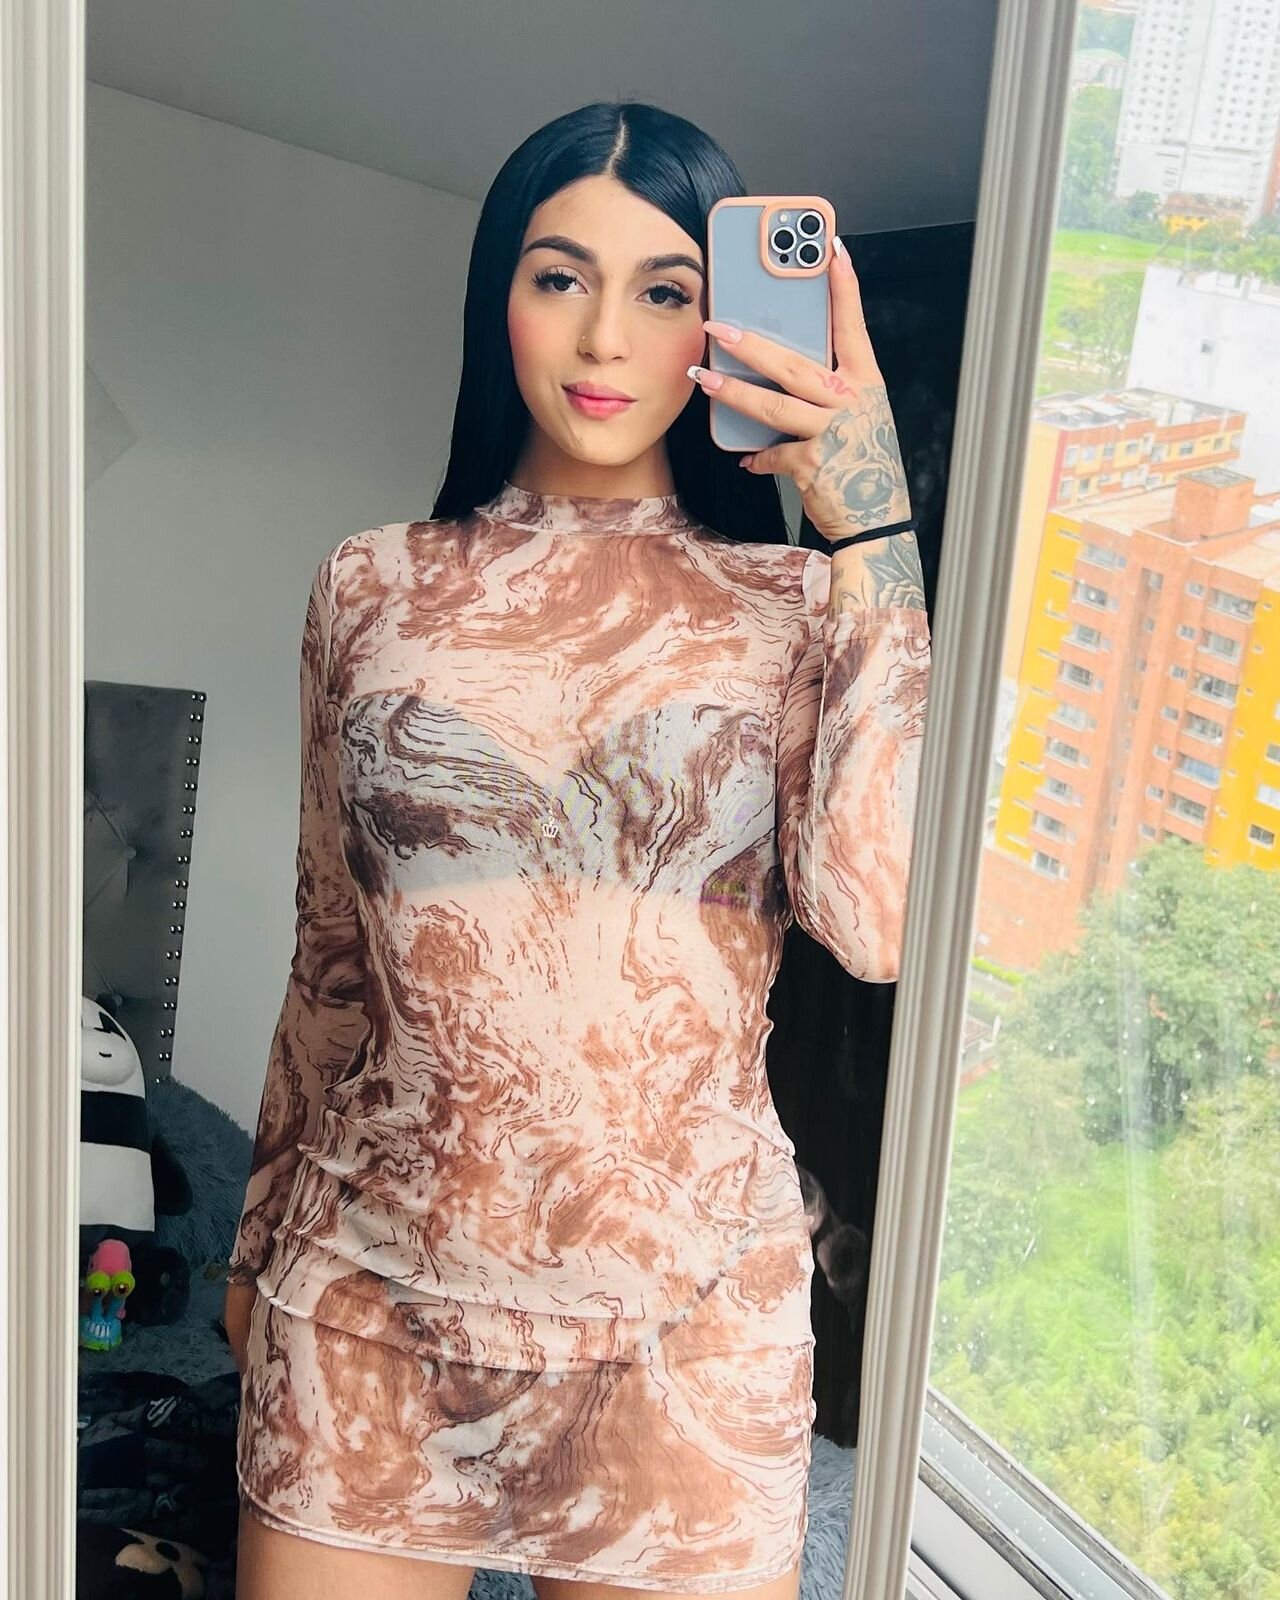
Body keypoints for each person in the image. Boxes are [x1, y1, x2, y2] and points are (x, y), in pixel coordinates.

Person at [225, 99, 931, 1600]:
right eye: (562, 277)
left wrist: (873, 531)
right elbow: (328, 945)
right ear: (502, 297)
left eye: (666, 292)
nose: (607, 337)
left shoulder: (803, 607)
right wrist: (253, 1234)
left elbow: (879, 923)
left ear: (722, 327)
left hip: (685, 1333)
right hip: (368, 1305)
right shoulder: (370, 585)